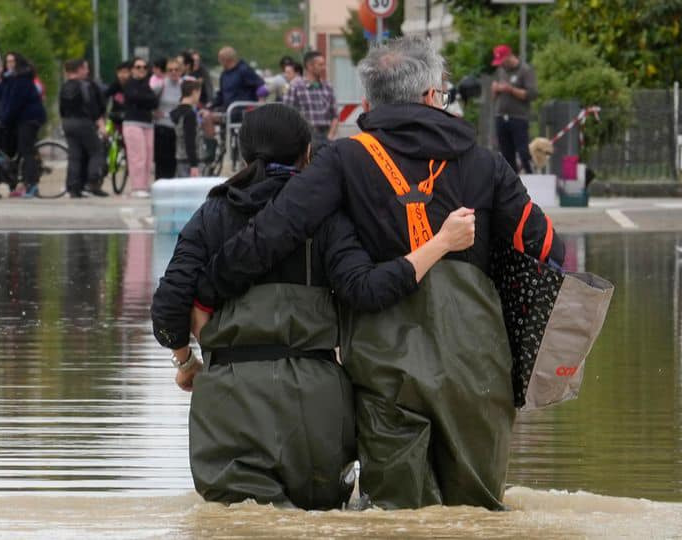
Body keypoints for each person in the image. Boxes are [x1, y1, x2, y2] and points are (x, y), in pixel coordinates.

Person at [195, 37, 564, 511]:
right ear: (433, 96)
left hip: (385, 364)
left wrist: (206, 292)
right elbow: (547, 246)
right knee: (478, 514)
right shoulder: (487, 164)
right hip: (476, 363)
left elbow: (272, 234)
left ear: (368, 103)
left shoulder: (344, 159)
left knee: (396, 516)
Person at [151, 103, 476, 510]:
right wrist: (442, 242)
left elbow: (167, 307)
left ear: (243, 150)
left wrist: (185, 362)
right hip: (315, 405)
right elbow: (367, 290)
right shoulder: (327, 219)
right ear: (307, 153)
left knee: (239, 523)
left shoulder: (211, 215)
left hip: (228, 397)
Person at [0, 52, 48, 198]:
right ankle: (18, 184)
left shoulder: (23, 79)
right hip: (17, 119)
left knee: (26, 150)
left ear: (19, 63)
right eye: (8, 62)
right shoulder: (8, 78)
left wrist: (3, 119)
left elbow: (15, 103)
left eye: (13, 61)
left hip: (29, 119)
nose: (10, 64)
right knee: (11, 151)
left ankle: (32, 185)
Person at [59, 58, 108, 198]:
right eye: (85, 69)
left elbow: (61, 108)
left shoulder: (65, 86)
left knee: (74, 155)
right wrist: (100, 124)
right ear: (79, 69)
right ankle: (92, 181)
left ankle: (73, 187)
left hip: (68, 122)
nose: (87, 72)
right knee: (96, 150)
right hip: (84, 122)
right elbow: (93, 108)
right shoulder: (84, 86)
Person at [491, 44, 537, 174]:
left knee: (523, 152)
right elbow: (494, 97)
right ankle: (511, 181)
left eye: (502, 61)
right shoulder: (501, 71)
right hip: (501, 116)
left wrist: (511, 89)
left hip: (518, 117)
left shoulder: (525, 70)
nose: (501, 65)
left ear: (509, 56)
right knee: (506, 153)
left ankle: (531, 176)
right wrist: (495, 90)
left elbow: (532, 94)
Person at [284, 51, 338, 152]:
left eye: (324, 64)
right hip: (305, 139)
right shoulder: (296, 86)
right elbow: (287, 115)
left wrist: (330, 136)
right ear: (310, 66)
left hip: (326, 137)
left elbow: (335, 115)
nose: (324, 67)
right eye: (320, 65)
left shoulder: (328, 87)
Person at [121, 57, 158, 198]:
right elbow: (133, 97)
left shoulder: (147, 84)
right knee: (138, 156)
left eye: (144, 67)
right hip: (132, 123)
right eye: (138, 67)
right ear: (132, 70)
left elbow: (154, 101)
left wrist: (144, 98)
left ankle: (144, 185)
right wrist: (145, 99)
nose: (142, 69)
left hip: (147, 123)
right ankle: (137, 187)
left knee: (148, 156)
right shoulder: (130, 84)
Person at [154, 57, 184, 180]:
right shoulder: (160, 85)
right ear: (166, 72)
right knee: (161, 159)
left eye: (176, 70)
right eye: (170, 70)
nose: (173, 72)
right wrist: (153, 112)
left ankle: (171, 185)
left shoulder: (184, 86)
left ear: (181, 71)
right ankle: (160, 183)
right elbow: (149, 100)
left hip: (178, 128)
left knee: (174, 160)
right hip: (162, 127)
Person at [170, 80, 202, 177]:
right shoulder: (190, 114)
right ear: (194, 92)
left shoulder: (175, 112)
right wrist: (194, 165)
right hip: (190, 160)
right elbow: (190, 140)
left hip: (179, 157)